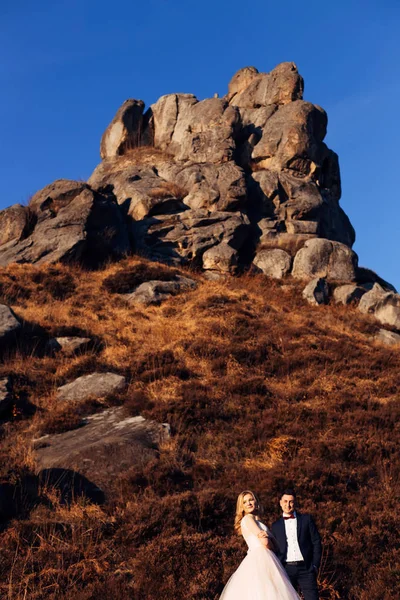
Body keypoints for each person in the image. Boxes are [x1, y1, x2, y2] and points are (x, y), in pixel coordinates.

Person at [219, 490, 300, 600]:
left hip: (265, 558)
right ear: (241, 506)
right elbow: (266, 542)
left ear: (256, 501)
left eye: (251, 499)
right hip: (260, 559)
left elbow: (274, 545)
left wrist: (269, 538)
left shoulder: (258, 521)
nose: (249, 503)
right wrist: (269, 538)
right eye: (245, 502)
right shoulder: (247, 519)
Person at [271, 488, 322, 600]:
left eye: (291, 502)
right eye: (285, 501)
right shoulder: (275, 526)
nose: (288, 505)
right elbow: (274, 549)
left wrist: (315, 565)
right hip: (286, 570)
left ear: (295, 503)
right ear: (280, 503)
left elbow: (316, 542)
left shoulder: (306, 519)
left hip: (306, 568)